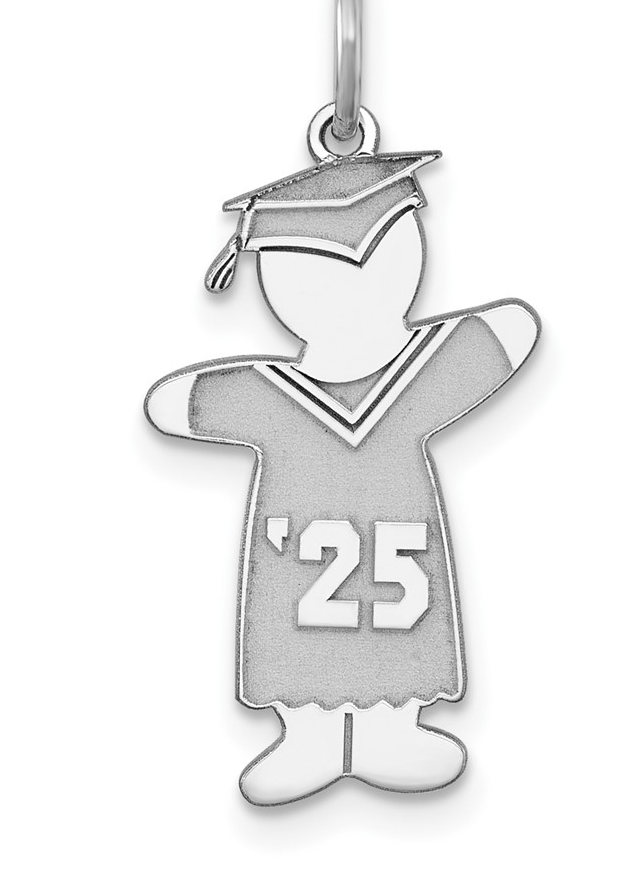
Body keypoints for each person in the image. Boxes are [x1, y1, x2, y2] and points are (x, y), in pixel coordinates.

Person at [145, 151, 539, 805]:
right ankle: (311, 738)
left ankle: (389, 733)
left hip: (393, 567)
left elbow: (175, 402)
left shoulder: (418, 375)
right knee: (296, 630)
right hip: (304, 571)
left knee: (395, 635)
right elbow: (508, 330)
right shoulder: (278, 394)